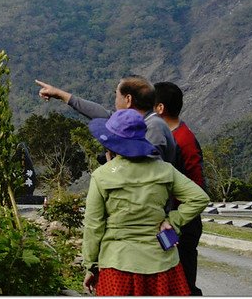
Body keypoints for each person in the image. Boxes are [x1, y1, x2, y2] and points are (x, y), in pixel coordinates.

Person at [82, 108, 210, 296]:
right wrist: (173, 221)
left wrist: (91, 266)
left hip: (117, 265)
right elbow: (199, 198)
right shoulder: (165, 170)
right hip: (162, 264)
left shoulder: (102, 176)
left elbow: (94, 225)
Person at [35, 75, 177, 164]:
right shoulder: (133, 124)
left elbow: (149, 172)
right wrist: (59, 94)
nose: (115, 100)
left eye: (116, 94)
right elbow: (100, 113)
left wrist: (112, 168)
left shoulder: (154, 127)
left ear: (128, 99)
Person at [154, 81, 205, 296]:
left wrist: (175, 217)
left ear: (160, 108)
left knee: (183, 282)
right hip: (171, 220)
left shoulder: (184, 140)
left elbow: (197, 185)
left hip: (183, 223)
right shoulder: (170, 135)